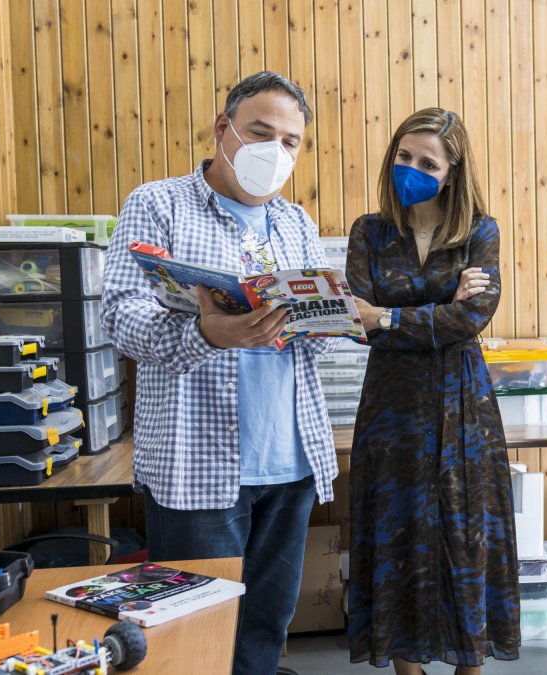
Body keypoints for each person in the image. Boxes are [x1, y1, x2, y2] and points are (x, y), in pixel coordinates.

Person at [101, 71, 339, 675]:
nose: (274, 151)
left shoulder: (296, 222)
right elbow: (122, 318)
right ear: (223, 129)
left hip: (290, 460)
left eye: (290, 141)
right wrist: (207, 333)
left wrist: (336, 318)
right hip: (197, 464)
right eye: (260, 132)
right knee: (195, 635)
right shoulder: (157, 204)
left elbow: (317, 341)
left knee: (267, 624)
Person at [345, 107, 520, 675]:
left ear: (451, 172)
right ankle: (408, 667)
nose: (412, 169)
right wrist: (439, 309)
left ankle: (470, 664)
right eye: (404, 156)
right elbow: (355, 322)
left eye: (427, 162)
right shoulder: (369, 232)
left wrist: (390, 316)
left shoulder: (480, 232)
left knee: (465, 533)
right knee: (396, 532)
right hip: (390, 408)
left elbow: (472, 319)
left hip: (460, 405)